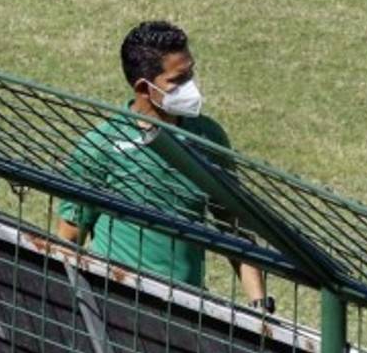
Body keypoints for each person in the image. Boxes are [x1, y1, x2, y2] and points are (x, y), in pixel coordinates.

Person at [56, 21, 273, 313]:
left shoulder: (208, 137)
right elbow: (69, 241)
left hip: (188, 309)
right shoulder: (101, 146)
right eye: (178, 80)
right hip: (116, 304)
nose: (191, 87)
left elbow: (233, 225)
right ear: (143, 88)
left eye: (190, 74)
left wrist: (260, 306)